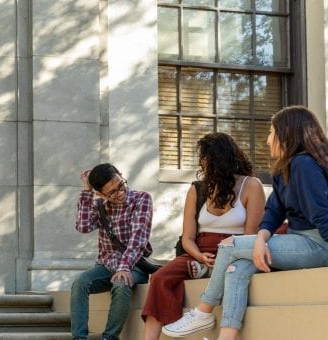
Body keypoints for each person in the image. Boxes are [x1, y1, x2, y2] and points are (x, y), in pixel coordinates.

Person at [162, 105, 328, 340]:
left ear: (287, 133)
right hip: (297, 239)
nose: (267, 139)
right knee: (235, 269)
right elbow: (273, 213)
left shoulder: (303, 164)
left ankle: (203, 311)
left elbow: (323, 214)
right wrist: (260, 239)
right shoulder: (284, 169)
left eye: (271, 132)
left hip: (319, 243)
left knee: (229, 245)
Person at [141, 132, 265, 340]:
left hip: (236, 249)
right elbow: (187, 238)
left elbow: (251, 234)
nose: (201, 162)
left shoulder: (251, 185)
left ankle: (204, 279)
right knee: (160, 277)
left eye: (205, 157)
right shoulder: (197, 189)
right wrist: (199, 256)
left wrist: (225, 256)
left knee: (228, 270)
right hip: (199, 251)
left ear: (220, 158)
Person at [71, 163, 153, 340]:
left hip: (134, 265)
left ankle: (109, 338)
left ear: (121, 175)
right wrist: (87, 192)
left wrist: (124, 267)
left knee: (121, 284)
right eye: (113, 192)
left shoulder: (142, 199)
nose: (120, 193)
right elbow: (83, 226)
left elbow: (138, 240)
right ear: (101, 193)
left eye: (121, 185)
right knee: (79, 283)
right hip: (106, 265)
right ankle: (79, 338)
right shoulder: (100, 205)